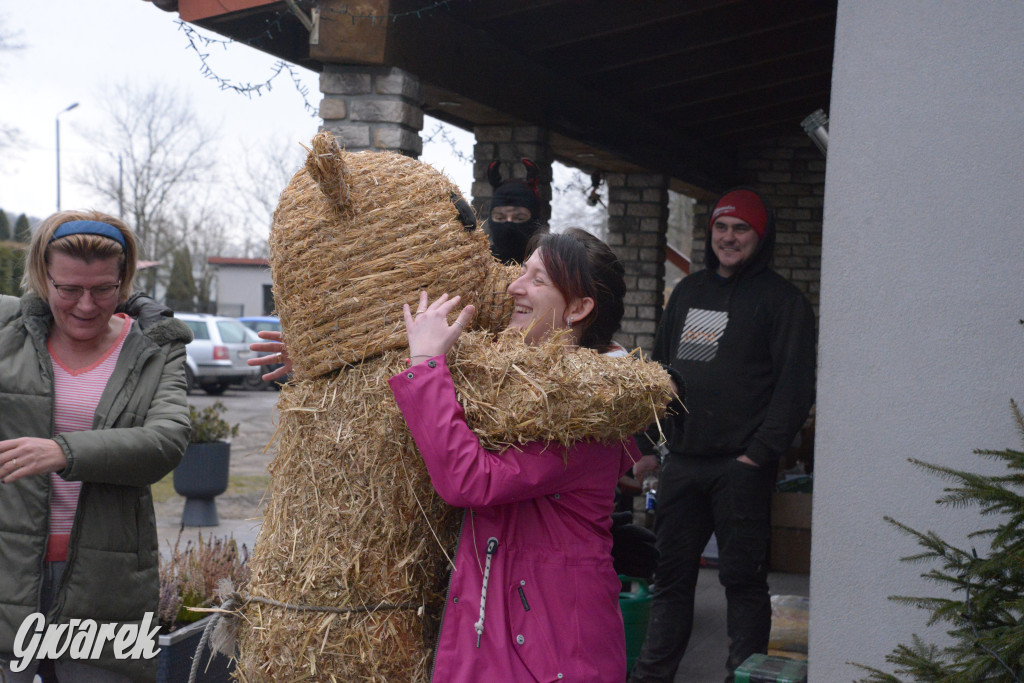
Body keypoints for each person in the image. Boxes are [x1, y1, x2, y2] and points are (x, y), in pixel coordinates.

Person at [251, 228, 647, 681]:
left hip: (549, 649)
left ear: (579, 308)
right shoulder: (524, 381)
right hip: (517, 629)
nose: (514, 286)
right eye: (521, 271)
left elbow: (471, 479)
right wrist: (329, 370)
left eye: (538, 280)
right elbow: (438, 409)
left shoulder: (590, 408)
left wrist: (426, 364)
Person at [628, 188, 817, 682]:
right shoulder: (690, 293)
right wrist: (649, 444)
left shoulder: (782, 301)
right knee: (670, 580)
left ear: (761, 235)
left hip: (741, 468)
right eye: (721, 228)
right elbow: (664, 373)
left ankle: (743, 678)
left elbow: (795, 390)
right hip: (684, 462)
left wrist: (758, 455)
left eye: (741, 229)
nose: (728, 238)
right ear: (710, 233)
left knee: (743, 583)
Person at [0, 210, 192, 682]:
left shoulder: (155, 348)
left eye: (103, 289)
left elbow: (166, 441)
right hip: (8, 569)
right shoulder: (8, 331)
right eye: (68, 289)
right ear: (43, 279)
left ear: (124, 281)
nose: (86, 305)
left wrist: (65, 451)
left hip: (107, 582)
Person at [484, 158, 548, 265]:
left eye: (519, 218)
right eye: (500, 218)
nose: (508, 224)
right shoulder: (478, 263)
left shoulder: (548, 265)